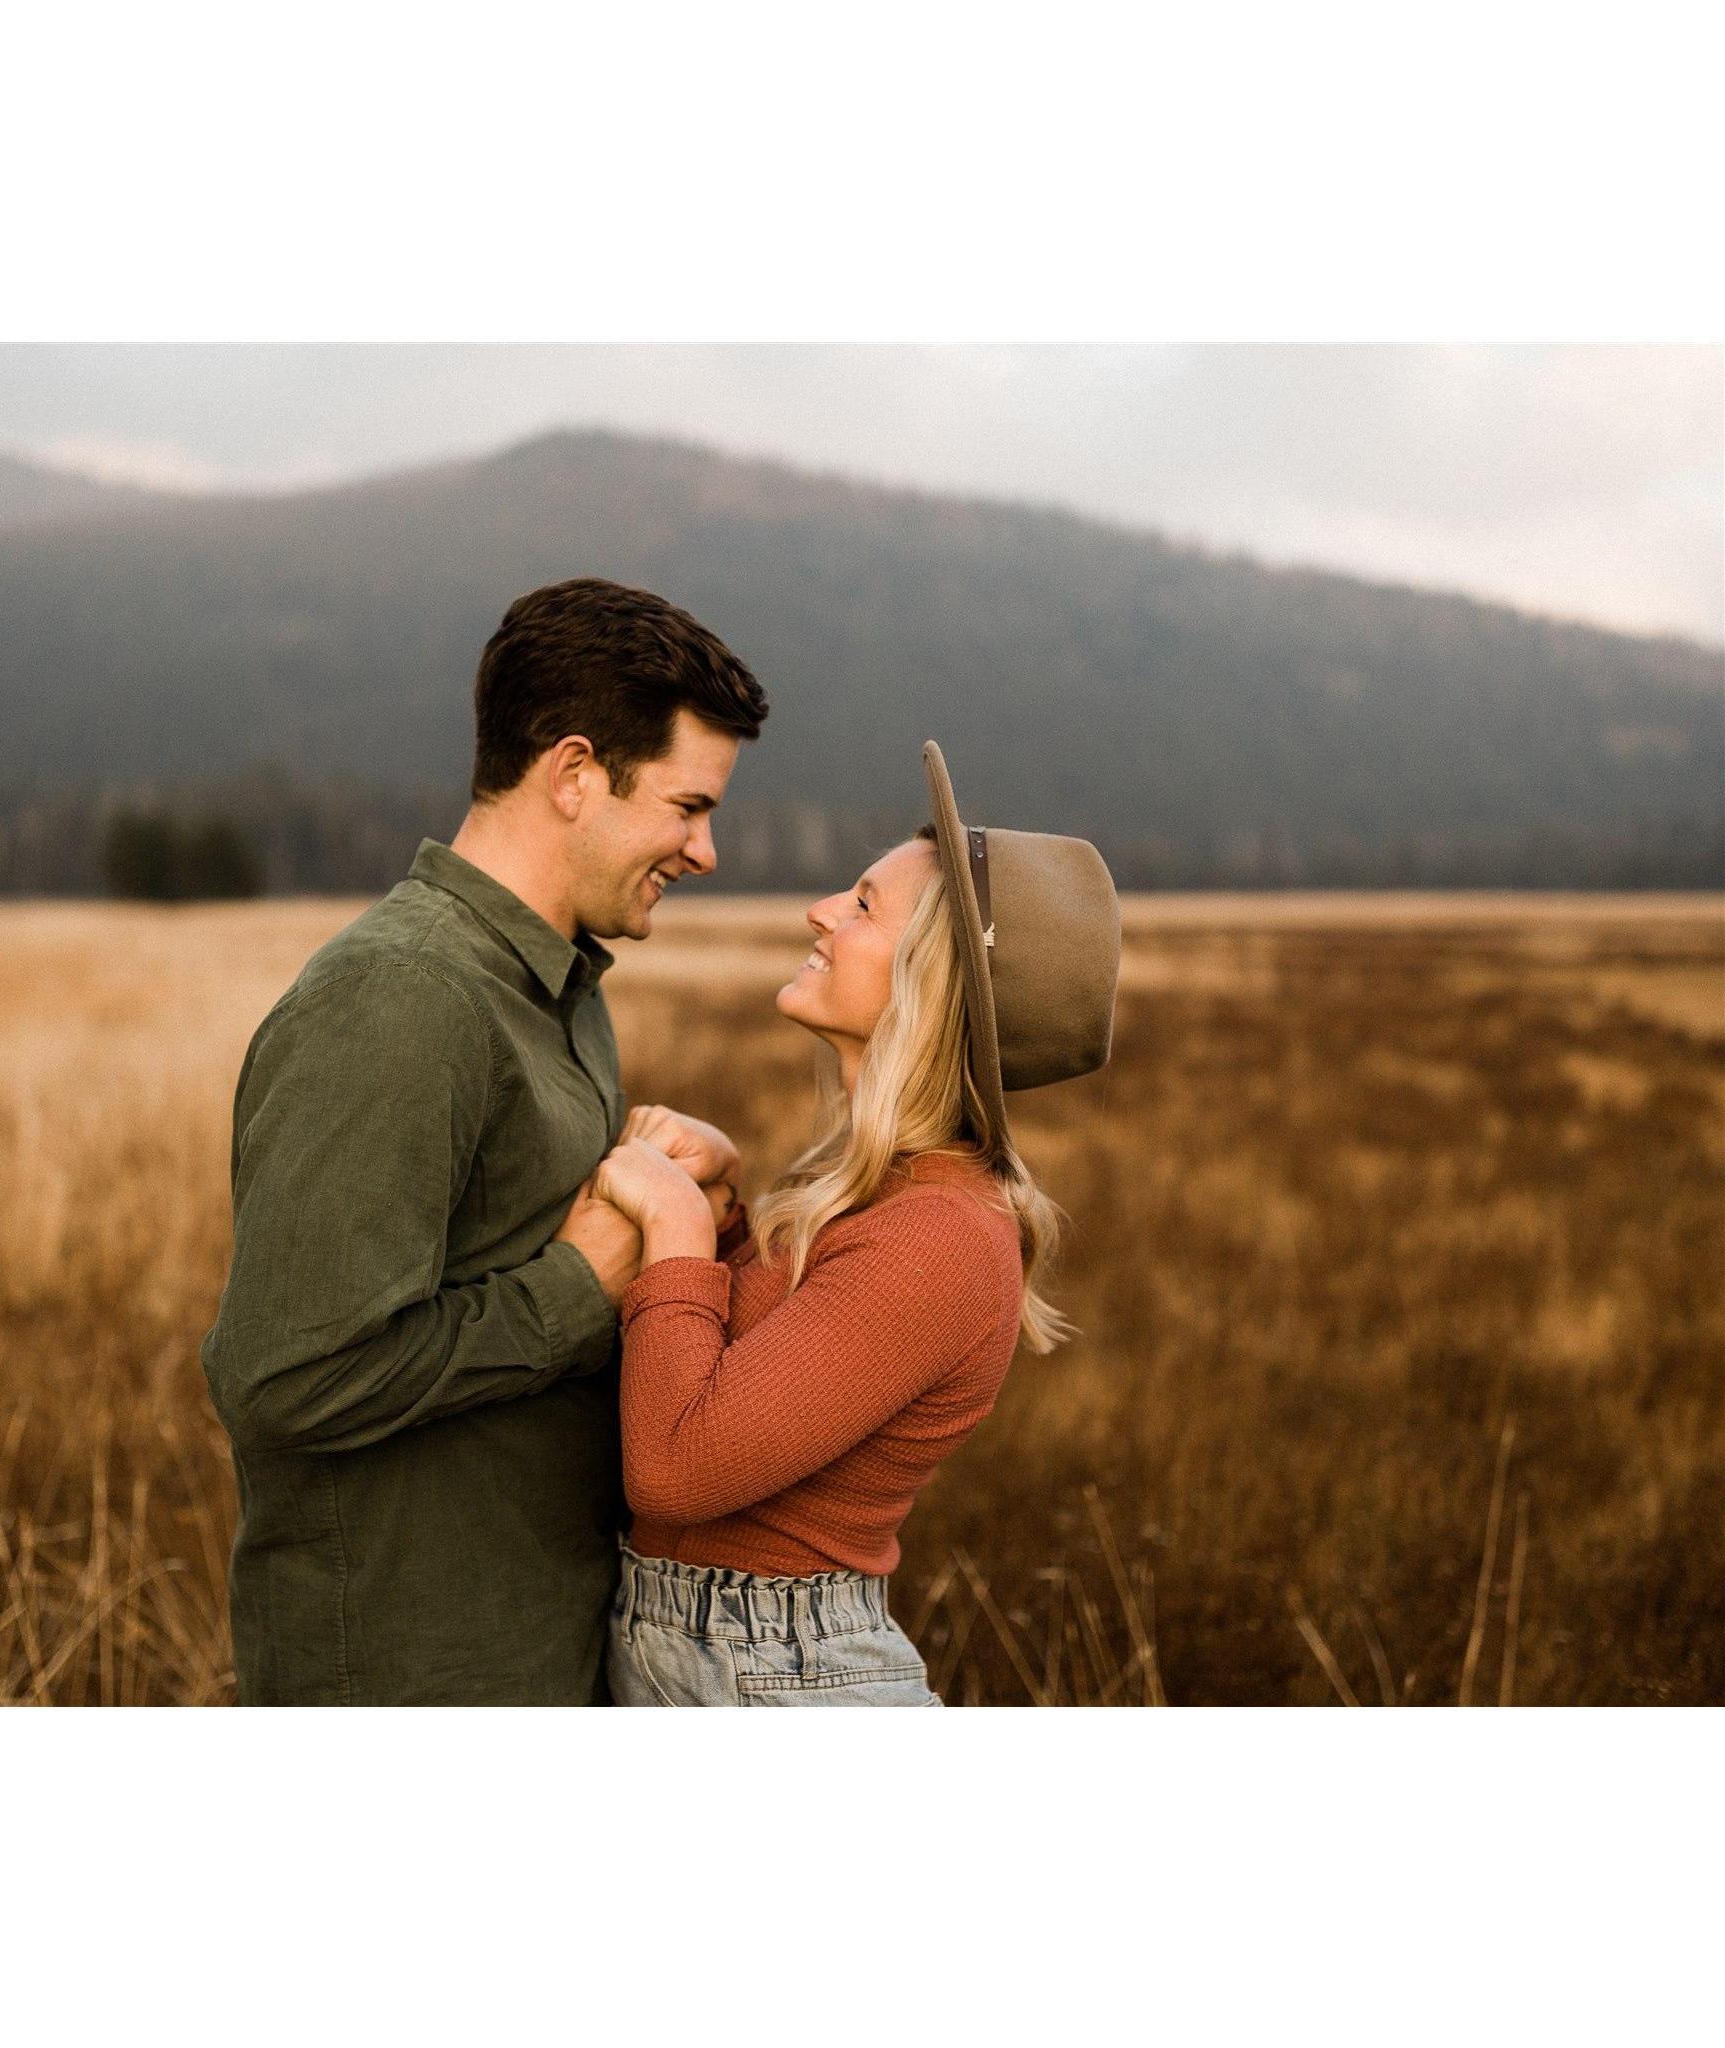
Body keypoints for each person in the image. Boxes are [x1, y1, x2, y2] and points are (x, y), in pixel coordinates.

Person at [200, 577, 766, 1704]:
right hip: (409, 1679)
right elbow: (283, 1377)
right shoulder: (402, 996)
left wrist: (685, 1206)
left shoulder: (560, 992)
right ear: (574, 774)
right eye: (687, 805)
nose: (704, 850)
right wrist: (574, 1291)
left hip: (541, 1642)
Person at [591, 740, 1120, 1705]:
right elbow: (774, 1365)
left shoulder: (939, 1240)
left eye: (865, 905)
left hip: (775, 1677)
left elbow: (674, 1467)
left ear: (931, 982)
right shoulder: (894, 1194)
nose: (821, 910)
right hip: (735, 1659)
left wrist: (672, 1227)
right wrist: (723, 1213)